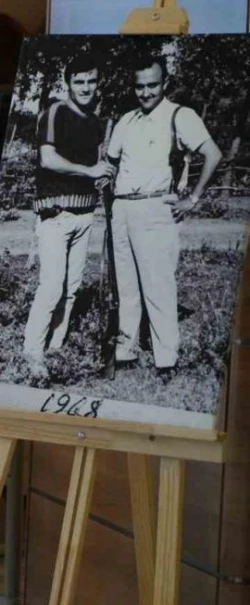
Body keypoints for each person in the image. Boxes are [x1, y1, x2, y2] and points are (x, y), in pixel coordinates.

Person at [106, 56, 221, 378]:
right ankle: (125, 353)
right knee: (126, 285)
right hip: (122, 209)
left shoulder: (179, 116)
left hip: (156, 208)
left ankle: (165, 361)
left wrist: (193, 199)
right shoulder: (126, 120)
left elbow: (213, 153)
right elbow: (111, 162)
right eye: (139, 86)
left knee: (158, 286)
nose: (145, 92)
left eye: (152, 85)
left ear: (165, 83)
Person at [14, 56, 115, 376]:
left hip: (86, 214)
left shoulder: (96, 121)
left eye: (92, 81)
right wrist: (89, 171)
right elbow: (48, 159)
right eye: (79, 81)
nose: (86, 87)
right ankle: (32, 349)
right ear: (68, 83)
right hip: (56, 215)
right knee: (52, 286)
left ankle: (57, 346)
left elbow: (95, 165)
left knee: (72, 288)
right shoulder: (55, 111)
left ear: (98, 83)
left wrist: (101, 175)